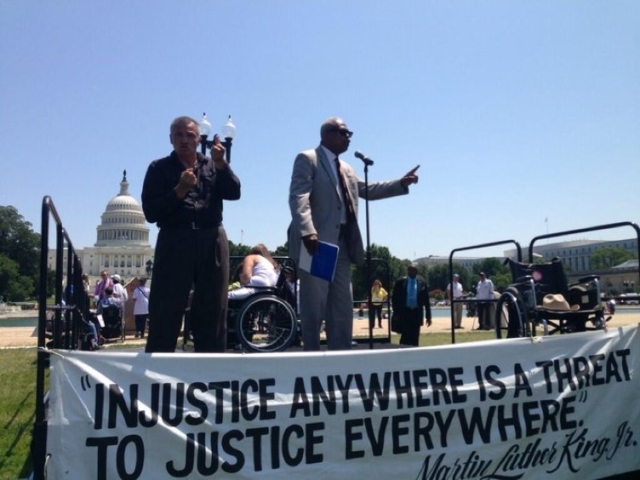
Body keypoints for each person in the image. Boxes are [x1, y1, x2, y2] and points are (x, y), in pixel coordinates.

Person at [288, 116, 419, 351]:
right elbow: (299, 197)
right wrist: (307, 230)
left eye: (349, 134)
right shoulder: (308, 159)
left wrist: (401, 183)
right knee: (314, 306)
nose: (348, 137)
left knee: (342, 307)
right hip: (316, 245)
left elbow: (367, 189)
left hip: (343, 246)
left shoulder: (347, 168)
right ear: (326, 134)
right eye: (343, 133)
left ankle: (341, 360)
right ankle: (311, 358)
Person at [141, 115, 241, 353]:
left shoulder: (212, 164)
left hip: (211, 238)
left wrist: (221, 164)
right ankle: (158, 369)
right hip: (175, 239)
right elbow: (151, 212)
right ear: (170, 139)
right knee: (166, 305)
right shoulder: (158, 168)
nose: (184, 139)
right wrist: (180, 189)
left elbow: (234, 191)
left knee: (214, 307)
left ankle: (211, 367)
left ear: (198, 140)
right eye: (179, 134)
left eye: (190, 135)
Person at [391, 263, 432, 347]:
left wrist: (428, 316)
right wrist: (396, 312)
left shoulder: (422, 283)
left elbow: (426, 301)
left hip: (416, 312)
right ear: (407, 271)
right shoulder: (400, 282)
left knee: (415, 335)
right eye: (410, 270)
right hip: (405, 312)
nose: (411, 272)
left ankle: (414, 352)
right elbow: (394, 299)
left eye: (414, 270)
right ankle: (403, 352)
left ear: (417, 272)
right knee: (405, 335)